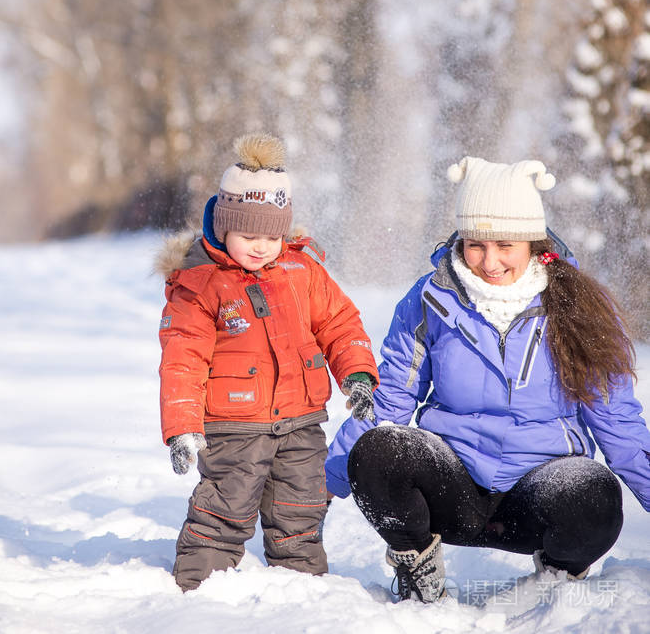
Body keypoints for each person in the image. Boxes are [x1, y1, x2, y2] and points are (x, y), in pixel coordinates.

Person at [325, 156, 650, 604]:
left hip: (539, 493)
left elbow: (617, 421)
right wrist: (323, 485)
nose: (489, 262)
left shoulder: (577, 307)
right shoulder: (429, 299)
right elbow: (393, 397)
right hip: (453, 488)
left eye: (505, 246)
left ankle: (554, 582)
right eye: (476, 244)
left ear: (533, 243)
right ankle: (418, 567)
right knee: (379, 451)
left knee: (594, 494)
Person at [158, 132, 378, 592]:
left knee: (301, 511)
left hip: (300, 422)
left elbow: (340, 324)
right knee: (223, 510)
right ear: (222, 229)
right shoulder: (202, 285)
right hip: (233, 428)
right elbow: (183, 359)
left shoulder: (303, 271)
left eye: (273, 236)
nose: (262, 247)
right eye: (249, 235)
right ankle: (197, 592)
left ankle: (303, 592)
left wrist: (356, 373)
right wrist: (182, 427)